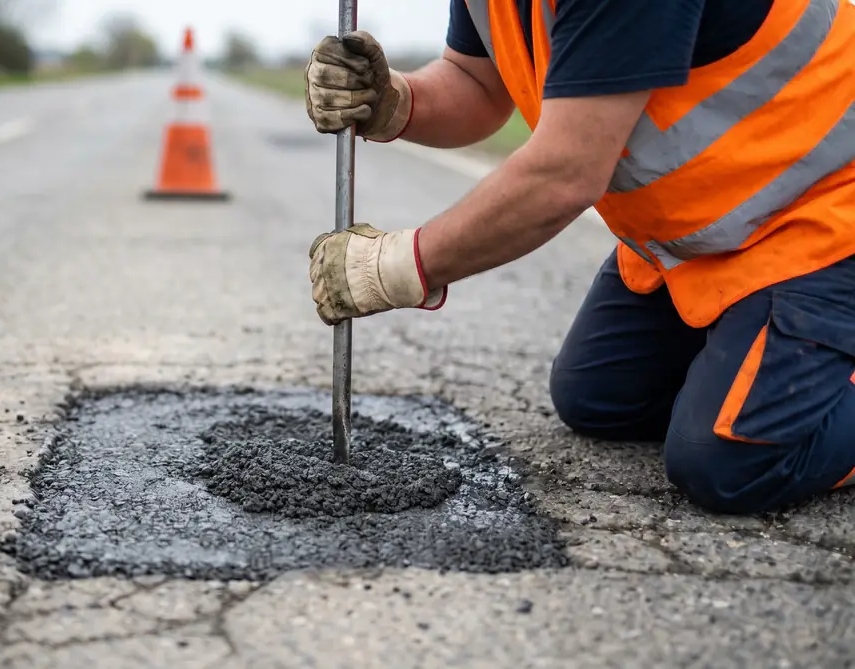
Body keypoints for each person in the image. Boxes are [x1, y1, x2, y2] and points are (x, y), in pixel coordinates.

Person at [303, 0, 855, 515]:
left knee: (731, 462)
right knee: (599, 400)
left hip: (828, 214)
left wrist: (395, 267)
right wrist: (397, 101)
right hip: (715, 234)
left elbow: (565, 173)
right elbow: (478, 82)